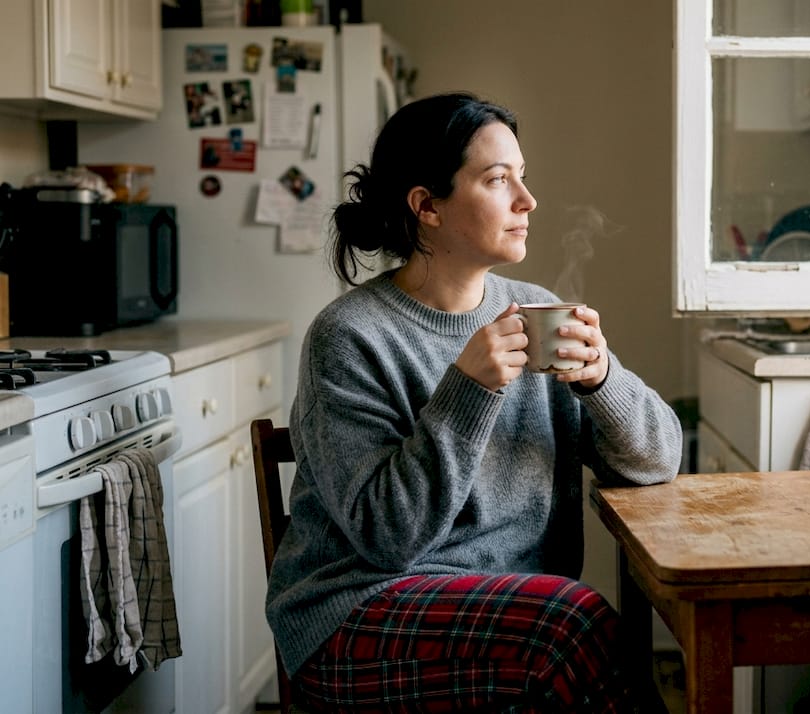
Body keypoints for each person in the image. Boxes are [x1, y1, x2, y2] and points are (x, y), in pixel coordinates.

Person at [265, 92, 683, 712]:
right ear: (427, 205)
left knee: (571, 629)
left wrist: (602, 380)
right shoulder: (350, 337)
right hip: (359, 616)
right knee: (574, 628)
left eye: (523, 176)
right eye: (497, 179)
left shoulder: (531, 310)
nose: (527, 200)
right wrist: (470, 389)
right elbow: (386, 537)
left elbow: (658, 462)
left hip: (511, 616)